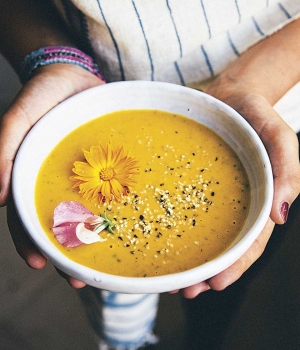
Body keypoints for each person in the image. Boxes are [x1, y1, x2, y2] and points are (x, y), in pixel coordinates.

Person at [1, 1, 300, 349]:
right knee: (113, 304)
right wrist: (55, 61)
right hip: (85, 91)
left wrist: (254, 81)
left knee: (220, 292)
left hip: (262, 118)